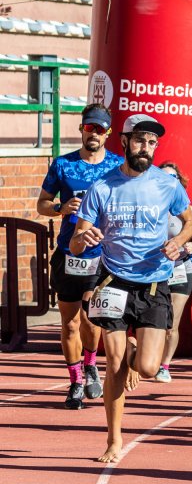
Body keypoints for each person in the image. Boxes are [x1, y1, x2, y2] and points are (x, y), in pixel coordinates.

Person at [70, 114, 192, 462]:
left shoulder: (167, 184)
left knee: (149, 368)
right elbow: (77, 244)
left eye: (152, 142)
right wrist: (85, 236)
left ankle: (132, 349)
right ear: (123, 142)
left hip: (154, 282)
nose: (146, 148)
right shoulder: (103, 187)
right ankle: (113, 440)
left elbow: (190, 224)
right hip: (113, 281)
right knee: (114, 366)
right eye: (140, 140)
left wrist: (180, 243)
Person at [37, 104, 123, 409]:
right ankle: (75, 380)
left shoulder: (118, 166)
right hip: (68, 252)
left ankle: (90, 366)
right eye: (90, 128)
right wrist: (61, 208)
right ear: (82, 129)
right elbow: (42, 204)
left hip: (103, 255)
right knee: (70, 323)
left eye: (100, 129)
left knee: (91, 317)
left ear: (108, 133)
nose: (94, 134)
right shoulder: (63, 165)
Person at [155, 163, 192, 383]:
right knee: (154, 321)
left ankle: (164, 366)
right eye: (164, 177)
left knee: (172, 323)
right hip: (155, 271)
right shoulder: (152, 205)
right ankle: (149, 358)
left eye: (173, 178)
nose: (169, 182)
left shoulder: (186, 211)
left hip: (181, 269)